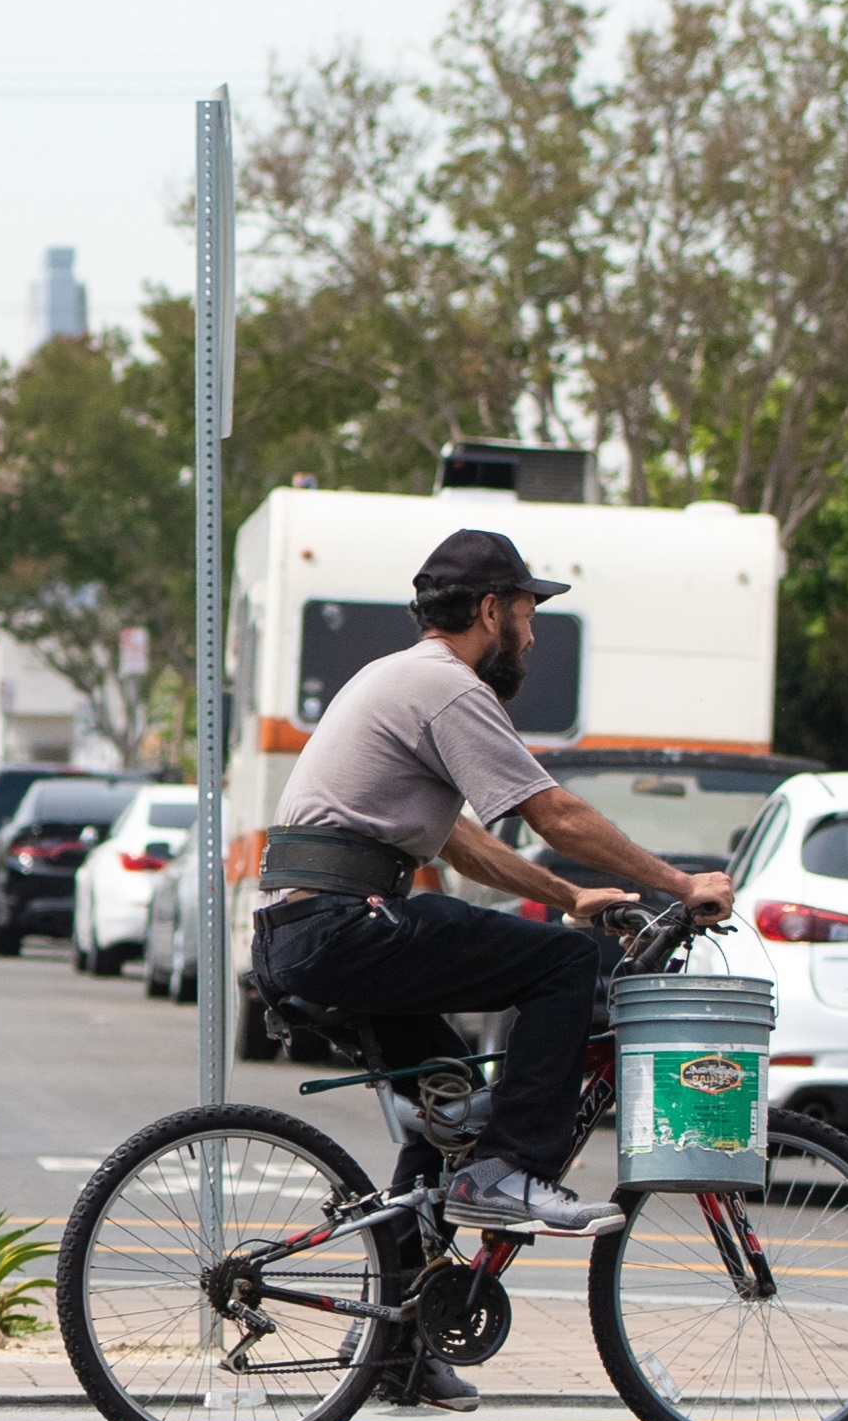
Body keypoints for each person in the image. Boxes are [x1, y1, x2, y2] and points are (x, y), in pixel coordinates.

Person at [241, 527, 733, 1258]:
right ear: (491, 610)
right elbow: (553, 812)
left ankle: (402, 1348)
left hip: (303, 928)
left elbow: (456, 839)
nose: (533, 637)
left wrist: (567, 892)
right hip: (342, 925)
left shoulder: (401, 677)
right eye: (529, 615)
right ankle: (510, 1172)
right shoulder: (446, 685)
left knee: (452, 1108)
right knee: (564, 965)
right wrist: (679, 882)